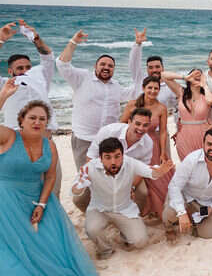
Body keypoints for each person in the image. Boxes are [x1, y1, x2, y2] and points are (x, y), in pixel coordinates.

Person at [0, 80, 97, 276]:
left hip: (36, 196)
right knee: (11, 245)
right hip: (4, 197)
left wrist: (42, 204)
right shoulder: (7, 137)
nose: (37, 122)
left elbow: (50, 177)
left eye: (42, 119)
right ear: (21, 120)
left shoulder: (48, 145)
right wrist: (3, 95)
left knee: (53, 241)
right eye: (32, 117)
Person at [0, 20, 62, 193]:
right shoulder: (3, 86)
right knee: (24, 193)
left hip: (47, 144)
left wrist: (35, 38)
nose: (25, 71)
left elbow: (47, 58)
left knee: (53, 191)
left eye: (28, 67)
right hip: (19, 148)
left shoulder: (40, 79)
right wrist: (0, 40)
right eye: (20, 68)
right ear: (10, 71)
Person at [56, 28, 147, 170]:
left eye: (110, 66)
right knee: (85, 178)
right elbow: (62, 65)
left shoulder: (116, 86)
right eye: (103, 64)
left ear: (114, 70)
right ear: (95, 66)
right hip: (84, 138)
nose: (106, 67)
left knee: (106, 179)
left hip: (108, 140)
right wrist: (73, 42)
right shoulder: (82, 78)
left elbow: (137, 87)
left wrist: (137, 46)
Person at [72, 137, 174, 258]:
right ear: (100, 158)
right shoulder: (89, 167)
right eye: (108, 157)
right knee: (92, 229)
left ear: (122, 155)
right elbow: (75, 190)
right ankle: (105, 250)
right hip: (99, 209)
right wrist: (81, 184)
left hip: (125, 209)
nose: (113, 161)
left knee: (140, 241)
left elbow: (150, 172)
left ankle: (124, 235)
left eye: (117, 156)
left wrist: (160, 171)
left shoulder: (130, 163)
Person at [72, 109, 154, 213]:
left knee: (142, 193)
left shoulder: (148, 143)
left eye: (145, 125)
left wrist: (131, 187)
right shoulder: (109, 131)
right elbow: (91, 157)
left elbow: (142, 170)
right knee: (79, 199)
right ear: (129, 122)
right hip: (102, 170)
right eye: (137, 124)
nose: (141, 128)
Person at [164, 128, 212, 239]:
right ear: (203, 144)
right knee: (171, 212)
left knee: (210, 234)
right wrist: (181, 213)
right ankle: (169, 227)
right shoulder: (191, 160)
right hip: (185, 196)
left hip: (204, 203)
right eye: (209, 144)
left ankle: (193, 220)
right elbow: (174, 186)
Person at [121, 77, 172, 218]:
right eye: (150, 87)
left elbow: (162, 131)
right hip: (133, 144)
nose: (153, 91)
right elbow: (122, 124)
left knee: (157, 180)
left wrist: (163, 152)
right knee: (138, 178)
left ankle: (156, 210)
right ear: (143, 88)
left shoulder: (161, 108)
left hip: (153, 145)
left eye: (156, 88)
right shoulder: (132, 105)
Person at [163, 68, 212, 160]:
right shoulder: (181, 93)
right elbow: (164, 75)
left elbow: (211, 101)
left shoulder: (207, 94)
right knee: (186, 166)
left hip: (202, 134)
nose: (197, 76)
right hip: (184, 135)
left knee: (203, 165)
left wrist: (204, 85)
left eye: (200, 75)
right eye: (194, 74)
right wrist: (185, 77)